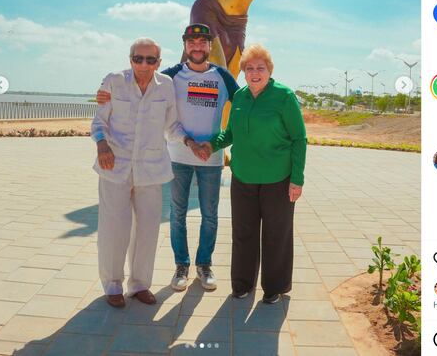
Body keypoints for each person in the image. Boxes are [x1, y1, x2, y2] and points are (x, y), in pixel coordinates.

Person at [97, 24, 240, 292]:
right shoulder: (171, 75)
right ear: (185, 45)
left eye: (202, 42)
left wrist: (222, 142)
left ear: (210, 46)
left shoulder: (222, 76)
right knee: (177, 214)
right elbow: (141, 84)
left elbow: (244, 105)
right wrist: (105, 94)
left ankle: (204, 265)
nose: (197, 46)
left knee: (210, 215)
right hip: (177, 157)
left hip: (211, 159)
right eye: (191, 42)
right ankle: (181, 266)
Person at [92, 38, 199, 308]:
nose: (144, 64)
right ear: (130, 59)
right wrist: (102, 145)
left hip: (151, 169)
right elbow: (98, 121)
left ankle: (140, 285)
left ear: (158, 63)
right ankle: (113, 285)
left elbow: (172, 125)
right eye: (138, 58)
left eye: (150, 60)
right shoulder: (114, 81)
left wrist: (189, 142)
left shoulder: (167, 85)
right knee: (114, 228)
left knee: (148, 230)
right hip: (114, 166)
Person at [205, 44, 306, 303]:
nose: (254, 73)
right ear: (244, 72)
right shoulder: (239, 97)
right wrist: (212, 144)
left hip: (278, 180)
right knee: (243, 233)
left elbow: (299, 139)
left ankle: (274, 288)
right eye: (249, 68)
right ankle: (242, 284)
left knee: (276, 235)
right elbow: (230, 134)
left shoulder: (284, 97)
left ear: (269, 71)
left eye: (260, 68)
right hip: (243, 178)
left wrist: (297, 179)